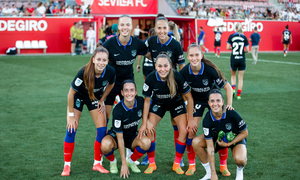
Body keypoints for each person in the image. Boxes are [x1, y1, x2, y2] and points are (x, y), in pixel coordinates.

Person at [180, 44, 233, 176]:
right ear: (187, 57)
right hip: (196, 101)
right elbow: (182, 92)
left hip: (213, 102)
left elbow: (228, 88)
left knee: (221, 132)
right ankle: (192, 165)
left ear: (201, 56)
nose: (194, 58)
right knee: (190, 131)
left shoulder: (210, 70)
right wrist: (189, 114)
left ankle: (223, 165)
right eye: (191, 55)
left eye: (197, 55)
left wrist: (229, 106)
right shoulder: (184, 72)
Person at [61, 47, 116, 176]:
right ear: (93, 60)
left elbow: (111, 85)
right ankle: (66, 166)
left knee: (102, 130)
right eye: (98, 59)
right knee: (71, 128)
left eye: (104, 60)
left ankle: (97, 163)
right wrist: (70, 115)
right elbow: (70, 94)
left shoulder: (110, 71)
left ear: (107, 61)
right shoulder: (83, 72)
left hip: (94, 98)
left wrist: (102, 99)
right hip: (78, 97)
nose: (101, 62)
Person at [141, 15, 186, 168]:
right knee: (150, 126)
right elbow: (141, 50)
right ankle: (149, 158)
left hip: (173, 90)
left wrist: (181, 87)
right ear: (155, 29)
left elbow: (181, 67)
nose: (161, 31)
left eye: (164, 28)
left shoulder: (175, 44)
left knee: (177, 125)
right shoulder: (151, 41)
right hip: (158, 89)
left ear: (169, 29)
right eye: (158, 28)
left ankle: (179, 159)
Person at [140, 53, 195, 175]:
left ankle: (177, 163)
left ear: (170, 65)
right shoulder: (150, 78)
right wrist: (145, 122)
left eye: (165, 66)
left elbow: (189, 99)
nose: (163, 69)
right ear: (155, 66)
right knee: (150, 130)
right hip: (159, 104)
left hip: (176, 104)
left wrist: (190, 119)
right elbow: (147, 101)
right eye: (160, 66)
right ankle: (151, 164)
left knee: (184, 131)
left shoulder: (177, 76)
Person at [102, 14, 148, 127]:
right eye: (122, 24)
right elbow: (98, 57)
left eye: (128, 24)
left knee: (129, 116)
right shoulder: (109, 43)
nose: (125, 27)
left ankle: (128, 142)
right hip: (111, 84)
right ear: (118, 27)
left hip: (128, 85)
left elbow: (151, 55)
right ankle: (105, 142)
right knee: (105, 119)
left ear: (132, 26)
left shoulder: (137, 43)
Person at [192, 89, 248, 180]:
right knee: (196, 142)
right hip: (217, 140)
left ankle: (239, 171)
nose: (215, 104)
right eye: (212, 101)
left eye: (218, 100)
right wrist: (214, 173)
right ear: (209, 103)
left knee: (240, 160)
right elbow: (210, 146)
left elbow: (245, 133)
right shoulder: (207, 119)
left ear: (223, 102)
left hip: (235, 139)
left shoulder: (231, 113)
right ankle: (209, 173)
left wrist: (228, 143)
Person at [101, 80, 151, 178]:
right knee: (105, 145)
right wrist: (123, 164)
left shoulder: (140, 101)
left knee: (146, 142)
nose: (129, 93)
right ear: (122, 93)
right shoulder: (118, 110)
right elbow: (120, 138)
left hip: (132, 136)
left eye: (131, 90)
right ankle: (113, 162)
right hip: (117, 136)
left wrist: (146, 122)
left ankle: (131, 161)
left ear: (136, 92)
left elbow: (143, 111)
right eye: (126, 90)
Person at [226, 23, 249, 100]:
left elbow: (228, 47)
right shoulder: (244, 37)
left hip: (234, 58)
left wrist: (233, 48)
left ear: (235, 28)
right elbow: (247, 50)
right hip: (242, 59)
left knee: (233, 76)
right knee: (240, 78)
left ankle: (233, 89)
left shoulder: (231, 36)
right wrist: (242, 50)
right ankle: (239, 95)